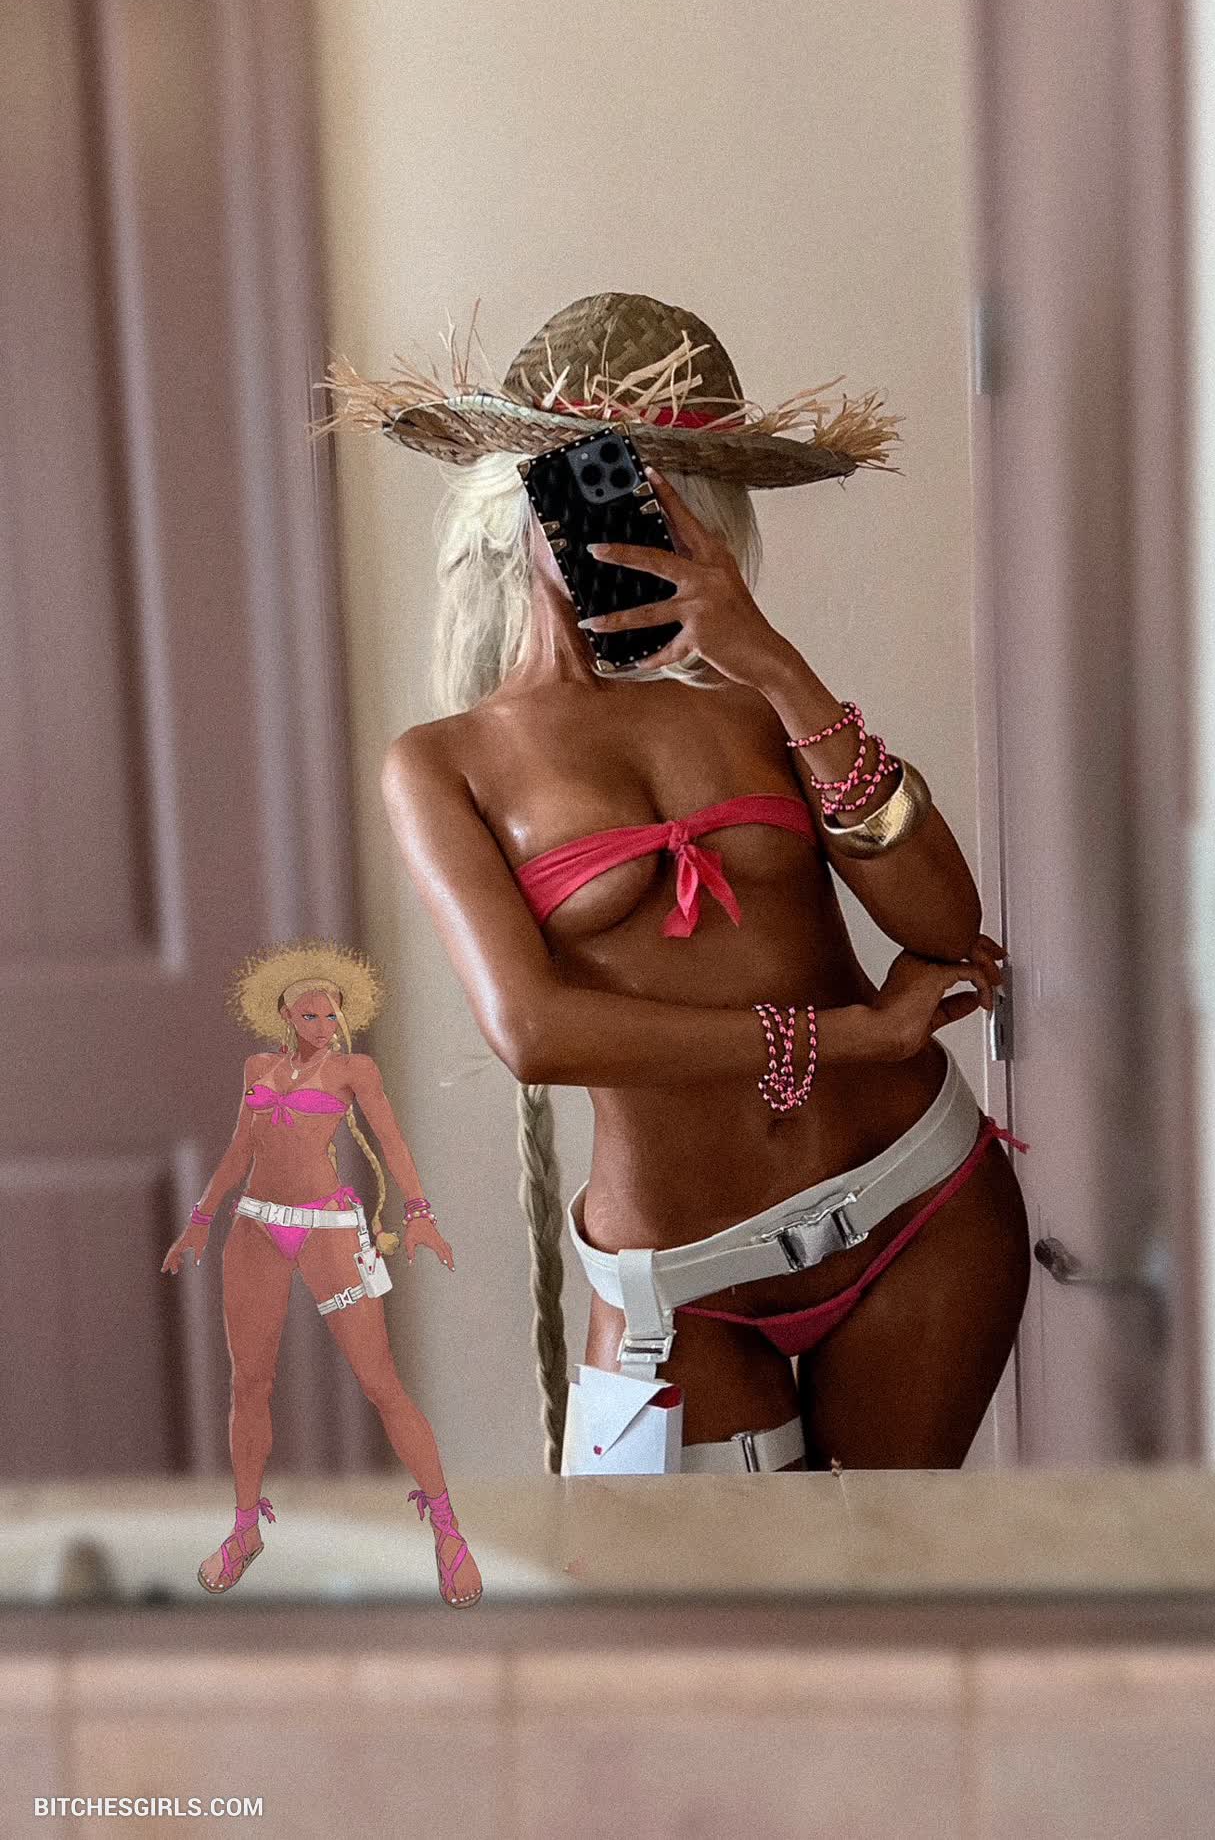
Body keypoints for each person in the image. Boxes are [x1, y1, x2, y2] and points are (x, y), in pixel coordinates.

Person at [319, 291, 1031, 1474]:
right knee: (681, 1595)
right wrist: (851, 1036)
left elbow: (943, 919)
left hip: (920, 1206)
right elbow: (536, 1032)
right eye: (609, 479)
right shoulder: (443, 763)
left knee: (887, 1578)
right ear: (522, 497)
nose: (644, 519)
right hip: (676, 1292)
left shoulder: (755, 702)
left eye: (678, 489)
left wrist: (776, 663)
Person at [161, 939, 482, 1603]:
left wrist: (419, 1211)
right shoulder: (257, 1067)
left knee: (380, 1381)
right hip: (255, 1226)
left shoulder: (354, 1071)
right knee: (249, 1383)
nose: (323, 1025)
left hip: (328, 1232)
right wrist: (200, 1218)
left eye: (331, 1013)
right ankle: (245, 1529)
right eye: (309, 1015)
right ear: (284, 1016)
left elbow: (390, 1138)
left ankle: (448, 1531)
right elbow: (241, 1148)